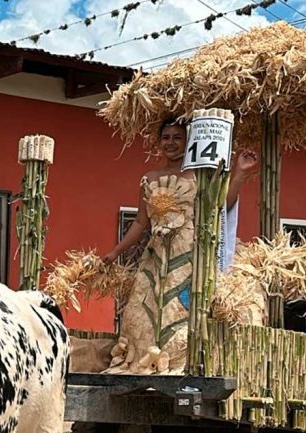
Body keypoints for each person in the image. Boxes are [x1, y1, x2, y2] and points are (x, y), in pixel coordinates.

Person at [100, 118, 258, 374]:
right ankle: (143, 362)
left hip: (189, 253)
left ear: (188, 142)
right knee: (140, 306)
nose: (170, 142)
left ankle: (177, 364)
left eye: (177, 137)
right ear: (158, 142)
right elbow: (141, 222)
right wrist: (116, 251)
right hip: (156, 254)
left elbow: (219, 208)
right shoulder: (149, 178)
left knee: (181, 308)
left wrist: (239, 173)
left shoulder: (200, 176)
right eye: (166, 137)